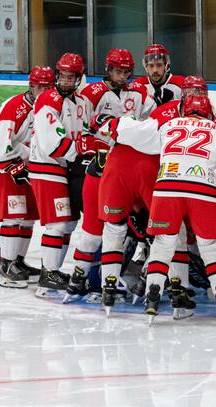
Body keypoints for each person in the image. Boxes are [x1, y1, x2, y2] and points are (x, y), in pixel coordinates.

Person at [96, 77, 216, 324]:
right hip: (203, 189)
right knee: (210, 246)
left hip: (166, 187)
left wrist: (110, 124)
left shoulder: (168, 124)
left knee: (161, 243)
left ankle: (152, 298)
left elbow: (132, 131)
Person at [64, 48, 155, 303]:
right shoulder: (91, 93)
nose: (122, 76)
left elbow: (151, 123)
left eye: (126, 72)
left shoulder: (139, 92)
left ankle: (106, 279)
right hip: (96, 167)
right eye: (118, 71)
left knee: (125, 230)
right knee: (95, 229)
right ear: (108, 69)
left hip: (126, 169)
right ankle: (86, 279)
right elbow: (82, 130)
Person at [29, 52, 105, 297]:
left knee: (69, 223)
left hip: (65, 169)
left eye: (71, 77)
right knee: (58, 223)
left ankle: (53, 272)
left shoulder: (82, 102)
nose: (65, 80)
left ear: (79, 78)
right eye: (62, 75)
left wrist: (97, 139)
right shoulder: (48, 99)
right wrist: (82, 149)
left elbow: (87, 133)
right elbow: (51, 144)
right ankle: (48, 274)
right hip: (47, 167)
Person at [0, 66, 54, 288]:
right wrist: (15, 162)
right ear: (31, 86)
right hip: (7, 166)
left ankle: (18, 261)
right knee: (14, 216)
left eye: (48, 87)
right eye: (40, 87)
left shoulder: (48, 107)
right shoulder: (14, 106)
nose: (44, 91)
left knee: (28, 217)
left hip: (29, 167)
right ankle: (6, 266)